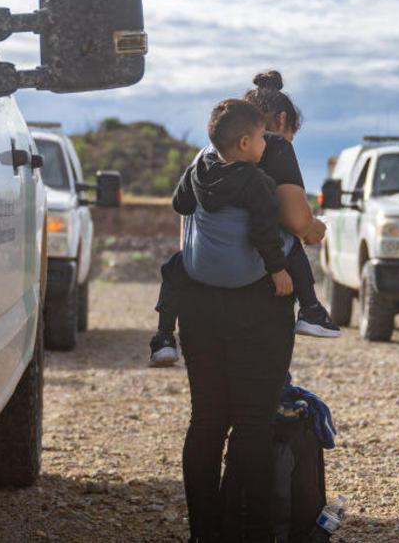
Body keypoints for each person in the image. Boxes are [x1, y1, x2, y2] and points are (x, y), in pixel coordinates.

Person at [149, 72, 337, 368]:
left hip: (199, 269)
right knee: (289, 239)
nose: (274, 142)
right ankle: (312, 309)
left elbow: (181, 206)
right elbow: (292, 223)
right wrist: (306, 237)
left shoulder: (201, 160)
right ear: (281, 121)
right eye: (286, 134)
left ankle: (163, 338)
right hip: (253, 276)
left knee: (173, 265)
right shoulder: (265, 163)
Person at [174, 99, 298, 542]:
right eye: (262, 137)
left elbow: (180, 203)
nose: (268, 143)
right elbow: (277, 225)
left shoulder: (199, 165)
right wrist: (280, 268)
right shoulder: (264, 171)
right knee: (252, 423)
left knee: (206, 419)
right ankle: (256, 532)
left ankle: (204, 532)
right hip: (255, 307)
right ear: (249, 138)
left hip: (199, 305)